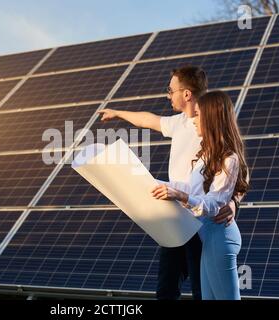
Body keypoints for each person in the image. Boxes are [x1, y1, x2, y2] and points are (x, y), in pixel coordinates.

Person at [98, 66, 239, 300]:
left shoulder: (212, 125)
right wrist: (118, 113)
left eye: (170, 90)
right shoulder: (181, 123)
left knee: (203, 292)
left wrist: (233, 202)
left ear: (186, 94)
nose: (168, 95)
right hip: (175, 214)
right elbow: (148, 120)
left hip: (202, 222)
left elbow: (234, 174)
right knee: (167, 288)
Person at [151, 90, 249, 299]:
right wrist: (148, 181)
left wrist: (180, 196)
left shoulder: (229, 158)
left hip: (220, 237)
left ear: (211, 118)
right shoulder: (206, 155)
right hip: (209, 238)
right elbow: (191, 189)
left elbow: (214, 203)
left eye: (197, 115)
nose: (193, 120)